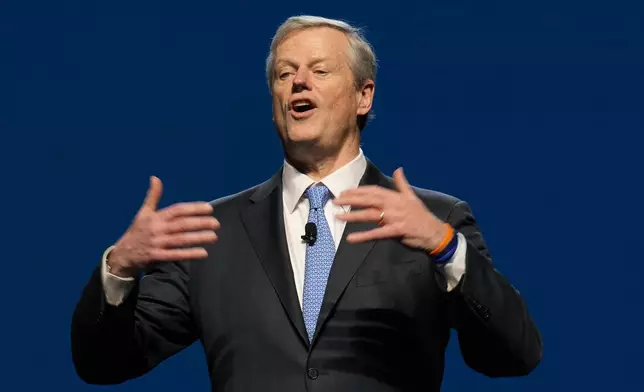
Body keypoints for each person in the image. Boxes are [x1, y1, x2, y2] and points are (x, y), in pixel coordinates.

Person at [71, 15, 542, 392]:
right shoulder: (214, 232)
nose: (299, 82)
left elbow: (513, 355)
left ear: (363, 95)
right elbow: (104, 364)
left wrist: (444, 248)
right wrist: (121, 269)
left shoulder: (435, 220)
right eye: (285, 73)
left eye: (319, 70)